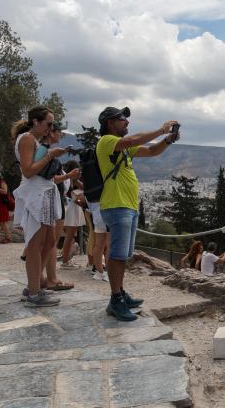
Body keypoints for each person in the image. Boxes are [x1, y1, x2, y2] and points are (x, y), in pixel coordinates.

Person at [96, 106, 180, 321]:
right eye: (122, 119)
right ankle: (115, 300)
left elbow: (151, 151)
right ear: (109, 123)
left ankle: (120, 293)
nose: (127, 122)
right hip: (117, 205)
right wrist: (161, 130)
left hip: (128, 206)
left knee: (124, 255)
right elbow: (134, 140)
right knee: (117, 255)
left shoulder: (122, 149)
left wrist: (168, 140)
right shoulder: (106, 141)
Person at [11, 105, 67, 307]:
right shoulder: (26, 139)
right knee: (35, 244)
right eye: (48, 123)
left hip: (45, 192)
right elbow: (28, 171)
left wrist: (49, 151)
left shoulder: (36, 141)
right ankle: (34, 292)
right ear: (36, 122)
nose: (51, 128)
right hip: (36, 194)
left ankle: (36, 284)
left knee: (50, 241)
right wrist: (50, 155)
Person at [39, 124, 76, 291]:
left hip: (54, 198)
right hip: (51, 198)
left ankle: (45, 277)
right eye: (58, 131)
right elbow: (47, 178)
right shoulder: (44, 151)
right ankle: (46, 278)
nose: (61, 134)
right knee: (49, 242)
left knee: (50, 241)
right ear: (50, 132)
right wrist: (68, 176)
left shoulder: (46, 150)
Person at [60, 160, 86, 269]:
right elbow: (83, 189)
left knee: (71, 237)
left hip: (74, 209)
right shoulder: (70, 181)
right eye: (78, 171)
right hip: (72, 209)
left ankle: (67, 260)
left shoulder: (71, 181)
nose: (80, 173)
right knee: (69, 237)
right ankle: (65, 262)